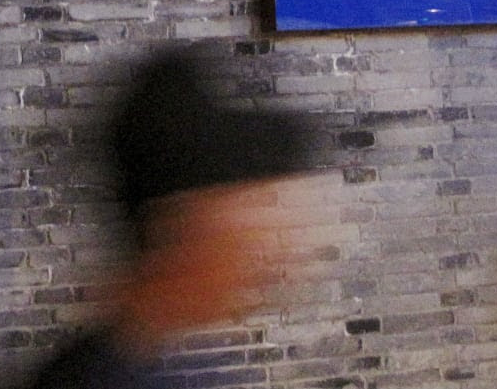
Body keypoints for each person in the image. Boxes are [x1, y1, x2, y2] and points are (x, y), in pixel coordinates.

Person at [23, 48, 317, 389]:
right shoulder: (93, 380)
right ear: (178, 227)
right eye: (250, 214)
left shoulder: (162, 361)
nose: (273, 255)